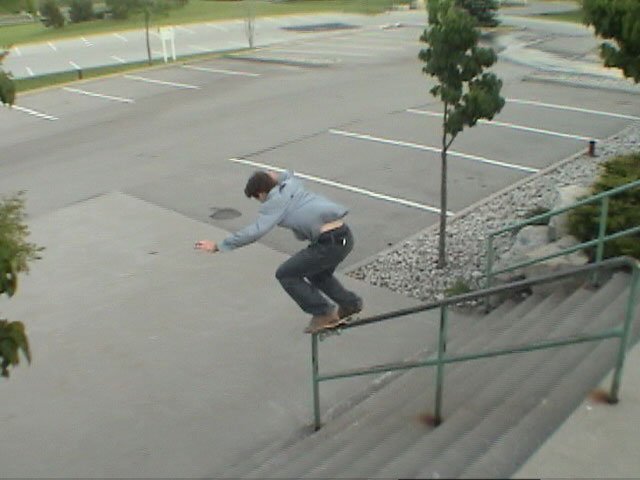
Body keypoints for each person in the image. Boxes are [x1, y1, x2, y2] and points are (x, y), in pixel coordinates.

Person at [195, 170, 363, 334]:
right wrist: (274, 176)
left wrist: (219, 246)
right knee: (317, 274)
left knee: (285, 274)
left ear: (261, 194)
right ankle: (350, 304)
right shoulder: (291, 185)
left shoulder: (274, 203)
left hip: (329, 244)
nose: (260, 202)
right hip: (344, 237)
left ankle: (324, 313)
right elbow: (288, 173)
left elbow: (254, 231)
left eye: (257, 198)